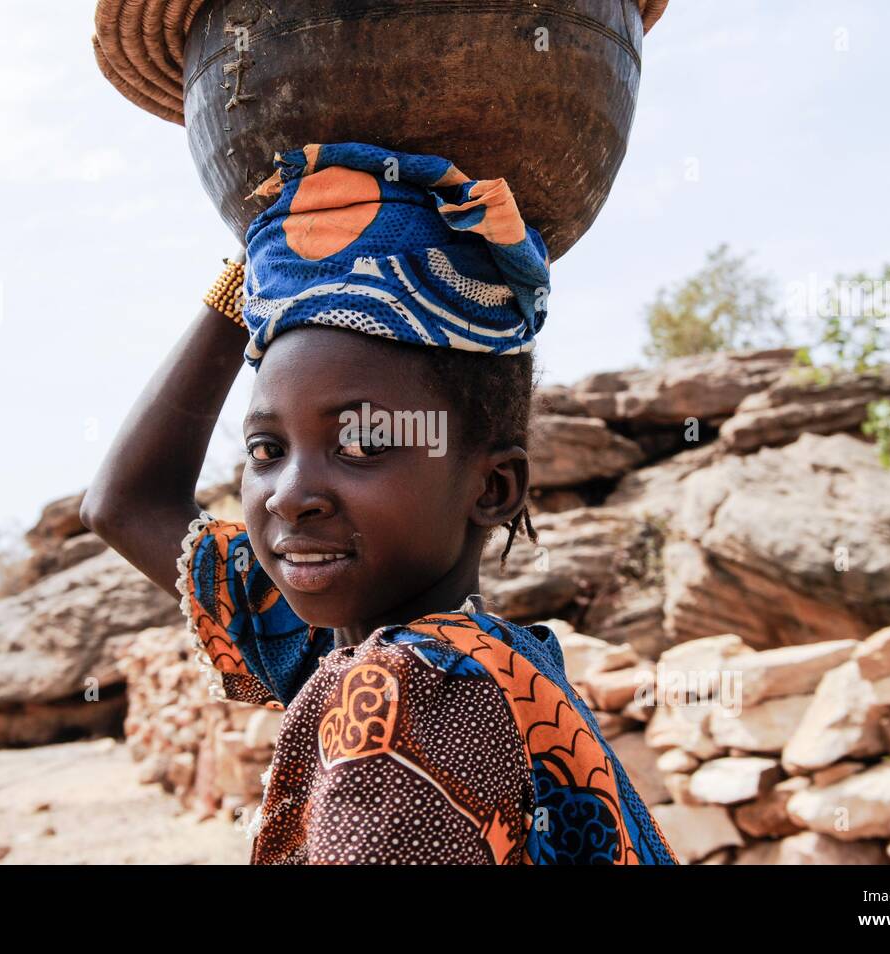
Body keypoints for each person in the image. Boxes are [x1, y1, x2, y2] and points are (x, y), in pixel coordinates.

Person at [84, 142, 678, 864]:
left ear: (492, 489)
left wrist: (276, 253)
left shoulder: (403, 694)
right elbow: (122, 505)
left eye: (361, 444)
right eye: (267, 450)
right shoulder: (400, 652)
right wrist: (274, 258)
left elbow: (124, 503)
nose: (291, 496)